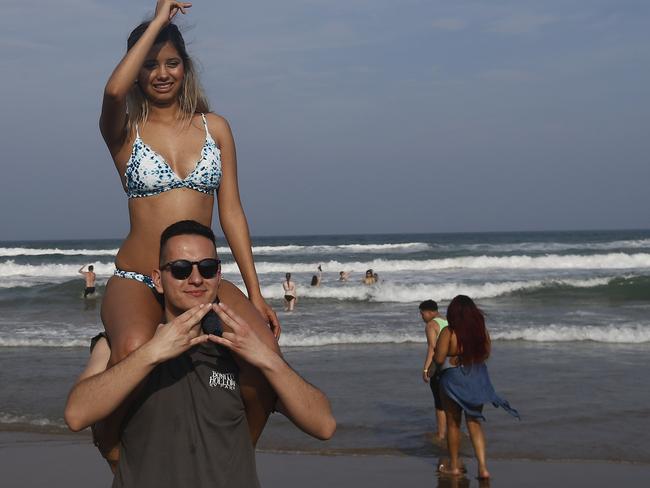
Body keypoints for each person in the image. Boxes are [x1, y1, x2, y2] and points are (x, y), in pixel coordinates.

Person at [96, 0, 279, 465]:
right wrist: (159, 20)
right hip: (139, 279)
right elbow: (113, 92)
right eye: (150, 64)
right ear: (137, 71)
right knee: (136, 350)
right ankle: (115, 450)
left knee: (264, 359)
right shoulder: (124, 131)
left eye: (172, 63)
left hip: (200, 279)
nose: (162, 73)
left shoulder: (215, 128)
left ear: (186, 67)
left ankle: (232, 457)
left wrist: (255, 292)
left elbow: (232, 212)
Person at [64, 221, 335, 486]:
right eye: (180, 269)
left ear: (218, 275)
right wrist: (151, 354)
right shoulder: (124, 347)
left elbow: (323, 425)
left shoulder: (240, 352)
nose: (196, 279)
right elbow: (77, 414)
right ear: (158, 279)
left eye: (207, 268)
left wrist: (267, 359)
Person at [434, 295, 519, 480]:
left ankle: (454, 466)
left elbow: (439, 359)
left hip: (453, 380)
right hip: (477, 377)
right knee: (474, 422)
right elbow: (486, 353)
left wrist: (445, 362)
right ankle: (483, 468)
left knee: (453, 424)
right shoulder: (480, 331)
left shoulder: (449, 332)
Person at [420, 299, 448, 441]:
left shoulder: (431, 325)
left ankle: (441, 435)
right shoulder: (447, 321)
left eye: (422, 313)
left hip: (440, 366)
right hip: (453, 365)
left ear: (430, 312)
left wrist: (426, 370)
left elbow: (432, 348)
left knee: (439, 403)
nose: (421, 317)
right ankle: (454, 430)